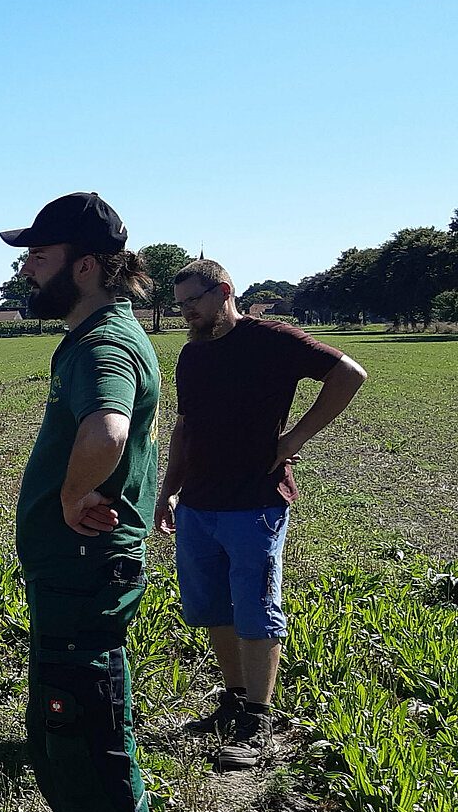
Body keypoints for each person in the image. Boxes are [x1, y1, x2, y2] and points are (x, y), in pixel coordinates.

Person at [1, 192, 161, 812]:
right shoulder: (99, 336)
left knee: (88, 741)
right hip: (74, 578)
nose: (26, 267)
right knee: (62, 735)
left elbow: (108, 429)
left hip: (85, 575)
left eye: (39, 254)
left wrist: (68, 499)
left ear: (88, 265)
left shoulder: (103, 342)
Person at [154, 258, 366, 770]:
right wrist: (168, 491)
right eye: (181, 305)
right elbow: (185, 427)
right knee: (213, 607)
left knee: (255, 607)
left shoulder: (273, 339)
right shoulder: (192, 355)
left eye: (193, 302)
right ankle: (232, 701)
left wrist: (293, 439)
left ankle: (258, 719)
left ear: (223, 290)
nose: (187, 313)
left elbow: (348, 375)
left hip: (255, 501)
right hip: (199, 503)